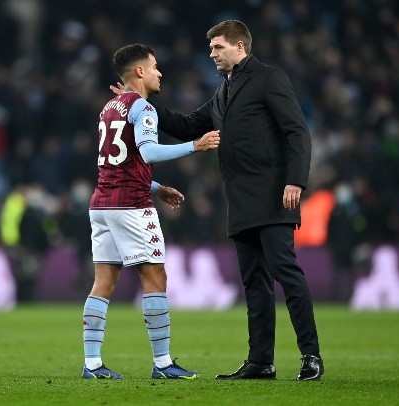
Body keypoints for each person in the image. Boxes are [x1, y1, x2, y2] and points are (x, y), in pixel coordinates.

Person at [112, 20, 323, 381]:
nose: (211, 54)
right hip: (240, 199)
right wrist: (136, 101)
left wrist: (295, 181)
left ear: (240, 47)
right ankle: (261, 361)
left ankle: (311, 355)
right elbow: (186, 125)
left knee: (286, 272)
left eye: (218, 47)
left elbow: (296, 131)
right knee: (253, 281)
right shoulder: (223, 92)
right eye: (210, 48)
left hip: (274, 194)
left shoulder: (269, 78)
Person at [82, 43, 220, 380]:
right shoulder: (142, 107)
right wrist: (195, 146)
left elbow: (119, 161)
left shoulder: (109, 107)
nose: (160, 72)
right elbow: (149, 152)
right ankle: (162, 364)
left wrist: (157, 188)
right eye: (155, 66)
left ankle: (92, 365)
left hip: (101, 205)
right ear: (140, 71)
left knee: (103, 282)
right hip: (130, 206)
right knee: (155, 278)